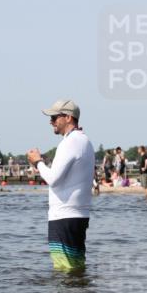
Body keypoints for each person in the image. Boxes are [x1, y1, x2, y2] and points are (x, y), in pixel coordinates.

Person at [27, 100, 95, 272]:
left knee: (64, 269)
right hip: (78, 215)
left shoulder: (70, 142)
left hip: (64, 216)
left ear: (68, 118)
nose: (51, 122)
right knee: (76, 267)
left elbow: (53, 178)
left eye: (54, 117)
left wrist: (38, 162)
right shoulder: (85, 141)